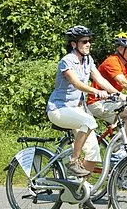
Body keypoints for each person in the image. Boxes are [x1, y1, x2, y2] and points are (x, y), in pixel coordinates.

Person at [46, 26, 119, 177]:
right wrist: (96, 91)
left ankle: (80, 191)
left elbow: (100, 79)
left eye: (89, 41)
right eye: (84, 41)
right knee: (89, 121)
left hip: (77, 111)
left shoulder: (88, 60)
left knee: (93, 152)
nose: (88, 44)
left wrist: (119, 94)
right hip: (59, 109)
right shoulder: (66, 61)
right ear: (74, 44)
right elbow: (76, 83)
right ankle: (73, 161)